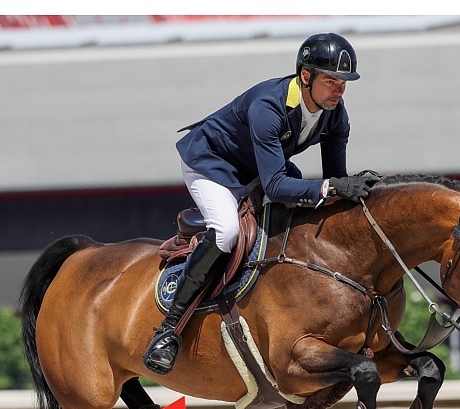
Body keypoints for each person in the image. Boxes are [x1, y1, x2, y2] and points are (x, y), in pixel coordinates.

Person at [143, 32, 380, 375]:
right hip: (213, 165)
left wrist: (350, 190)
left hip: (260, 165)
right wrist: (332, 187)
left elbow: (334, 181)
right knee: (225, 232)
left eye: (344, 83)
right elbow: (277, 185)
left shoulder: (335, 114)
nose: (339, 90)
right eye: (331, 81)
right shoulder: (268, 107)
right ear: (306, 76)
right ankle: (168, 330)